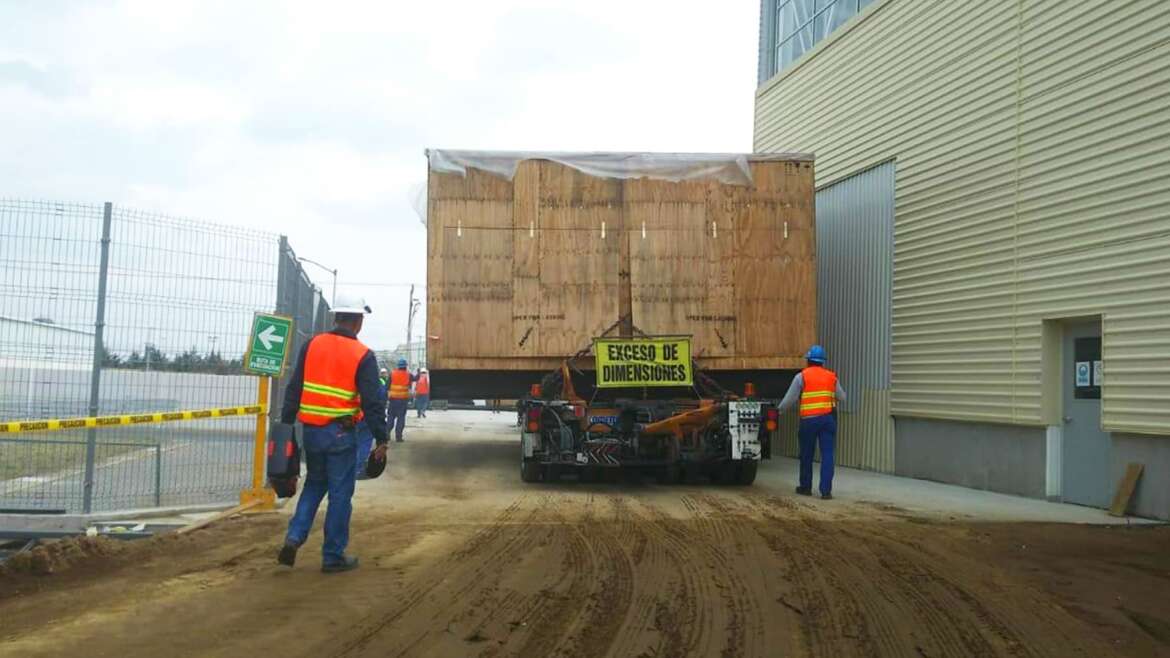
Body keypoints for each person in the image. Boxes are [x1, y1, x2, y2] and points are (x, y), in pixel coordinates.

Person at [276, 294, 388, 573]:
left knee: (314, 485)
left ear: (336, 317)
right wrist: (382, 438)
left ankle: (294, 537)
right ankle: (332, 555)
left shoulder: (311, 345)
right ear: (358, 322)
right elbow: (372, 403)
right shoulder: (363, 355)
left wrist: (285, 425)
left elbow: (294, 389)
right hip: (341, 434)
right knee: (340, 495)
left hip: (311, 433)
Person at [777, 345, 846, 500]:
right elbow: (842, 397)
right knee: (827, 454)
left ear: (808, 360)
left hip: (809, 421)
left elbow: (790, 399)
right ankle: (826, 491)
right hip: (828, 420)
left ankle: (806, 487)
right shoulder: (831, 377)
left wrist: (778, 411)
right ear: (823, 362)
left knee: (806, 454)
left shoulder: (801, 376)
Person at [387, 358, 417, 442]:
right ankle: (398, 437)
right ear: (405, 366)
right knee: (400, 418)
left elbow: (387, 386)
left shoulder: (392, 374)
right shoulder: (408, 375)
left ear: (398, 366)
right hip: (402, 401)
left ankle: (387, 434)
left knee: (391, 417)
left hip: (393, 400)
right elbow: (415, 378)